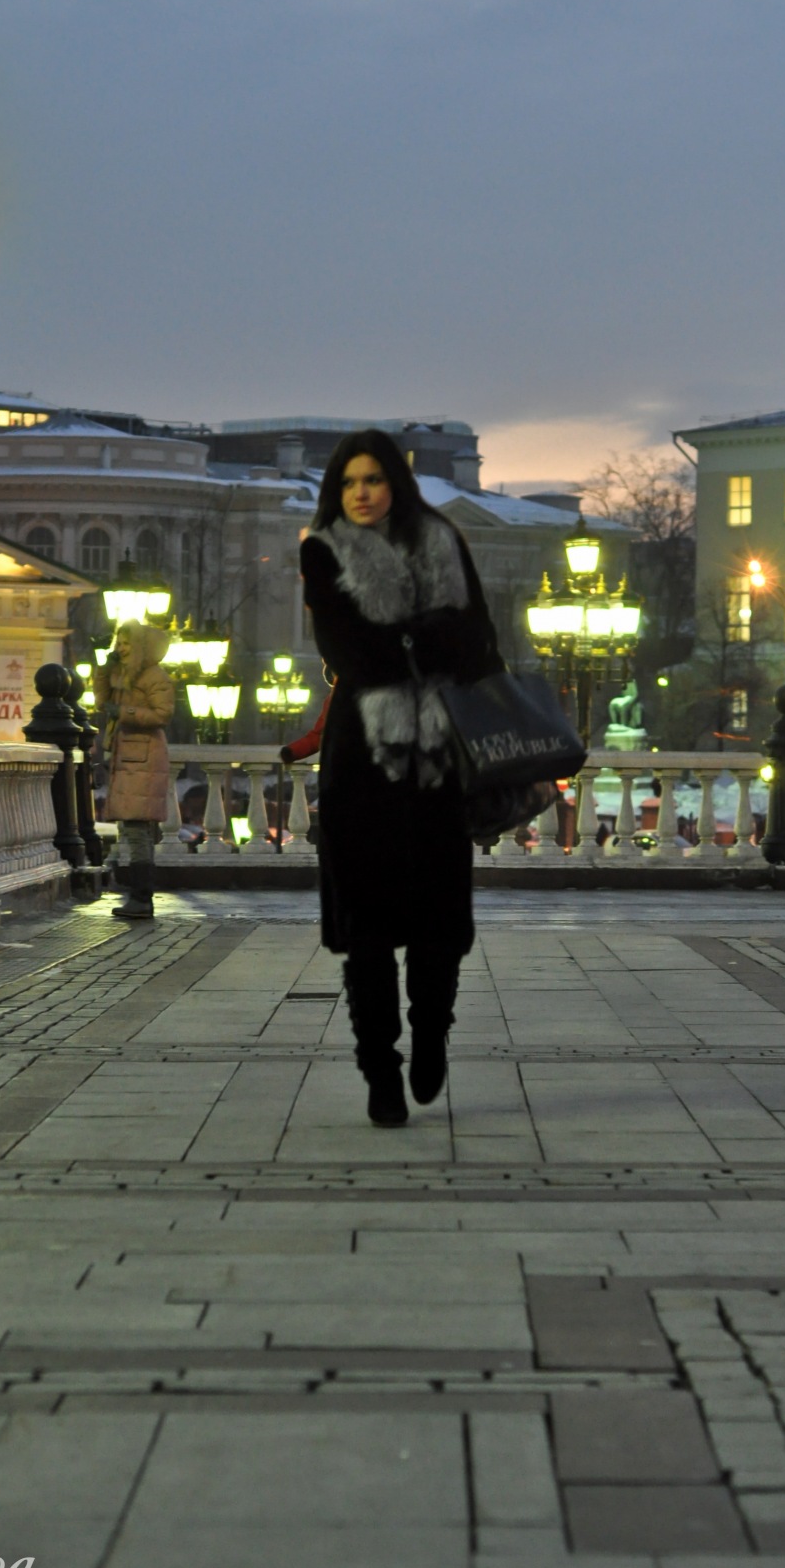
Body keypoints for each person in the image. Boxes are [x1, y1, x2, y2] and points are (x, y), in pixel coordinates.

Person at [300, 428, 503, 1126]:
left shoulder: (443, 541)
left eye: (373, 480)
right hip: (363, 763)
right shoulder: (323, 551)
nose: (360, 493)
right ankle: (379, 1069)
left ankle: (431, 1036)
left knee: (437, 924)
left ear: (396, 484)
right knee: (367, 930)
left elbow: (477, 640)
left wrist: (406, 640)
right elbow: (349, 654)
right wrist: (425, 637)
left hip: (438, 765)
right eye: (349, 482)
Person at [96, 619, 175, 920]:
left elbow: (162, 714)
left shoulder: (153, 675)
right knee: (131, 829)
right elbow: (101, 700)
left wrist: (125, 712)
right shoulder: (123, 673)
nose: (121, 648)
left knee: (137, 829)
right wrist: (104, 669)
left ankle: (142, 897)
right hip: (129, 756)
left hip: (143, 758)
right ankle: (138, 896)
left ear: (139, 646)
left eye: (127, 643)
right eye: (118, 642)